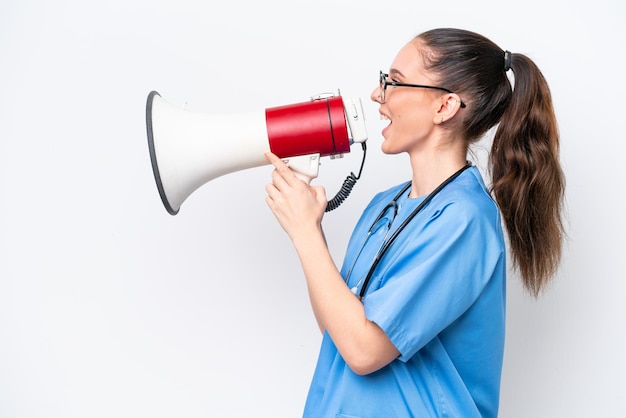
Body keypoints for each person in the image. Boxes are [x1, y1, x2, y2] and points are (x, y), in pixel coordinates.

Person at [264, 27, 565, 418]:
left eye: (395, 82)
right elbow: (337, 331)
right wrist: (310, 229)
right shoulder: (382, 206)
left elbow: (364, 350)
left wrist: (305, 235)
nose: (378, 94)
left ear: (445, 107)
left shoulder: (465, 220)